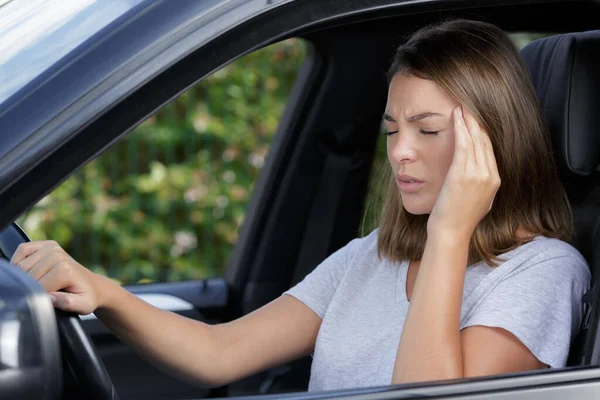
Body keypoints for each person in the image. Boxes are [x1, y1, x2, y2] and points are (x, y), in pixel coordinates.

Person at [12, 19, 590, 392]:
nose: (400, 154)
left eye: (427, 130)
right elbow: (221, 352)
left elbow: (426, 394)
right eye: (391, 131)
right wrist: (102, 293)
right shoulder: (373, 258)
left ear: (491, 142)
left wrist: (449, 234)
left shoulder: (542, 272)